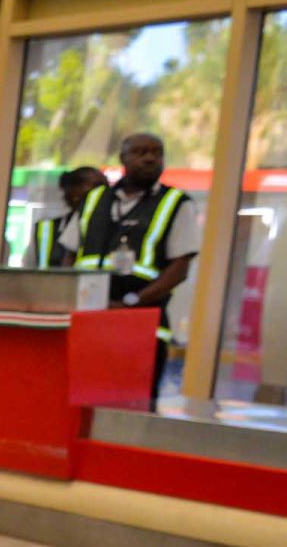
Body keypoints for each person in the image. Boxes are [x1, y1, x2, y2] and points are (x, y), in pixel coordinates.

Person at [60, 132, 198, 403]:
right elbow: (69, 256)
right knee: (81, 398)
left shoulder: (176, 204)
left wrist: (131, 303)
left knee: (133, 401)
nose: (150, 158)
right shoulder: (95, 199)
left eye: (157, 153)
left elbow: (180, 268)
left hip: (142, 323)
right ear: (123, 158)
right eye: (141, 152)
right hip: (90, 320)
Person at [28, 166, 106, 268]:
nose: (103, 196)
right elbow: (27, 268)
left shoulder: (109, 227)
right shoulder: (46, 228)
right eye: (96, 190)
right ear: (74, 194)